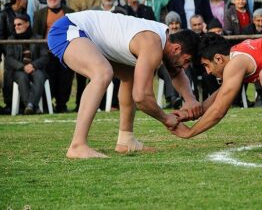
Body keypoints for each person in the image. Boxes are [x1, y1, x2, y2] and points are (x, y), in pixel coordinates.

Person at [47, 10, 202, 158]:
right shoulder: (152, 43)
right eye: (187, 60)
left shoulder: (163, 41)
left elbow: (176, 73)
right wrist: (166, 119)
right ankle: (77, 145)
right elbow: (141, 97)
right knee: (102, 73)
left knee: (130, 74)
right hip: (67, 29)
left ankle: (126, 140)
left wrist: (190, 100)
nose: (186, 66)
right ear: (176, 48)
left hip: (86, 36)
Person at [33, 0, 74, 113]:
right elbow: (36, 33)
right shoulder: (40, 14)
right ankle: (47, 106)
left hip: (66, 51)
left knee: (65, 80)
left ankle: (62, 105)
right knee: (50, 80)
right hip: (47, 53)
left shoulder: (70, 13)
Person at [6, 14, 49, 114]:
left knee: (39, 76)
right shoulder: (11, 39)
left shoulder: (38, 38)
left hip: (35, 68)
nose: (16, 27)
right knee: (22, 77)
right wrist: (22, 67)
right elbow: (9, 58)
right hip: (19, 71)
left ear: (27, 24)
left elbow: (45, 57)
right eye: (15, 25)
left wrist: (33, 65)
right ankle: (33, 106)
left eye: (19, 24)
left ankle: (30, 105)